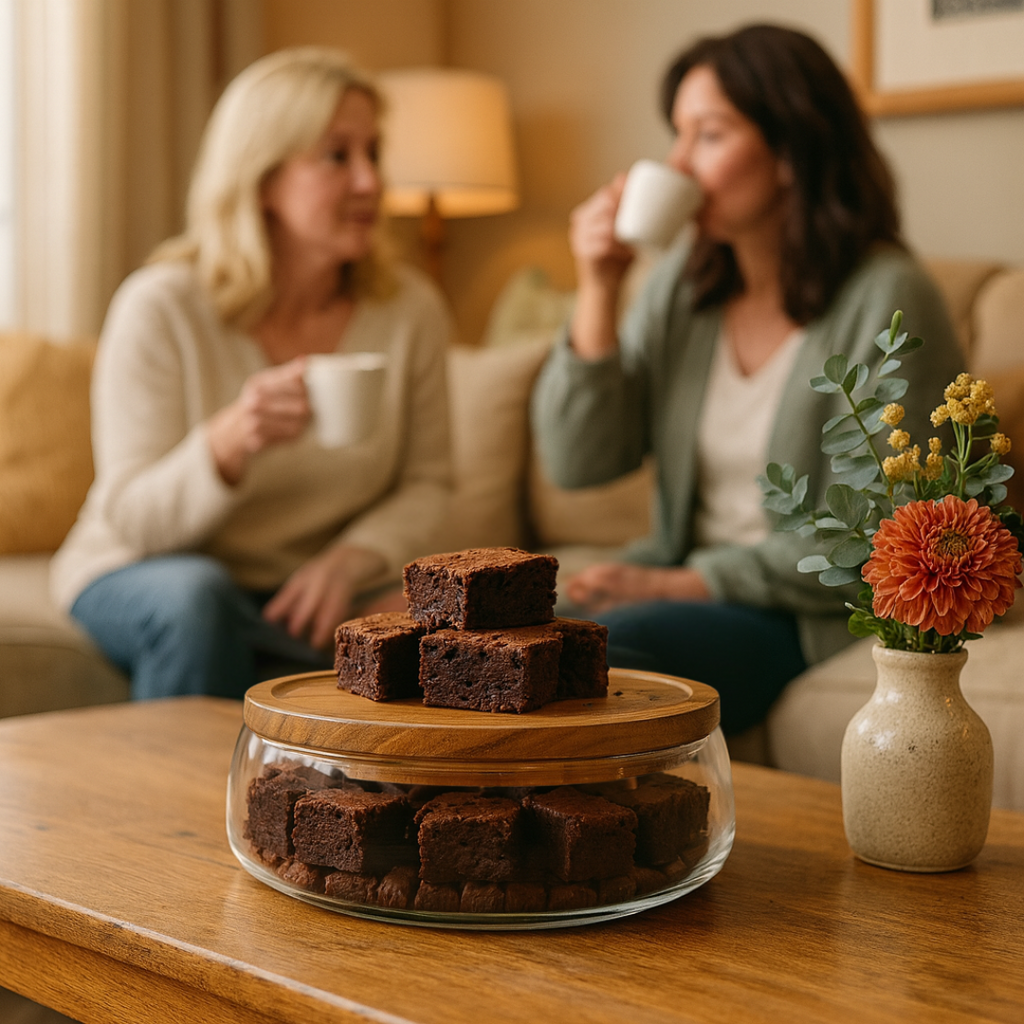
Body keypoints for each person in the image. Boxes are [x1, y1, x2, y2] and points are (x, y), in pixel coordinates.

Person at [530, 24, 963, 735]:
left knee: (595, 660)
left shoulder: (888, 295)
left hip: (802, 614)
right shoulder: (684, 286)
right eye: (678, 135)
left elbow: (879, 540)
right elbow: (581, 460)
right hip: (690, 589)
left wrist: (683, 583)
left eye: (709, 135)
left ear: (789, 151)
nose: (677, 164)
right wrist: (598, 290)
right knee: (499, 643)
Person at [50, 47, 453, 700]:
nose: (370, 183)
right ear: (262, 177)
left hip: (300, 588)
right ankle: (185, 803)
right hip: (142, 568)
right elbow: (134, 520)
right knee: (198, 599)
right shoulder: (161, 306)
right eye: (336, 156)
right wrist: (227, 444)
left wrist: (349, 561)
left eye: (373, 153)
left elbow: (430, 482)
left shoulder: (410, 310)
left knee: (439, 630)